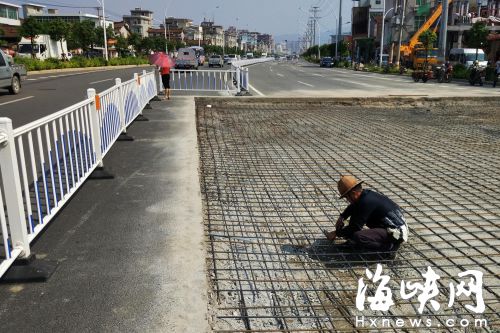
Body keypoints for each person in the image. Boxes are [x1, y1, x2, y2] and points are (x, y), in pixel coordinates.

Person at [325, 175, 409, 255]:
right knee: (356, 218)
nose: (347, 200)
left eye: (347, 197)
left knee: (358, 237)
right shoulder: (366, 195)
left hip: (397, 233)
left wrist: (336, 233)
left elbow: (355, 227)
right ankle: (384, 240)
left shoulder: (366, 202)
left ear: (353, 193)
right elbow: (354, 205)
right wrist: (342, 216)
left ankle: (388, 248)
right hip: (396, 227)